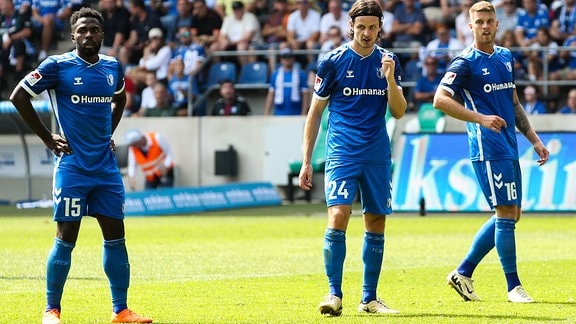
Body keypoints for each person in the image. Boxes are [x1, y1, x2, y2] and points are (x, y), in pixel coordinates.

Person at [9, 7, 152, 324]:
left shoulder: (113, 67)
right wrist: (48, 138)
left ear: (102, 34)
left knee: (116, 237)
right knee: (65, 238)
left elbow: (120, 100)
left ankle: (121, 310)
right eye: (83, 30)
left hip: (106, 169)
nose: (89, 35)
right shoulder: (57, 66)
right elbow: (19, 96)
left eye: (95, 30)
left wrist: (107, 133)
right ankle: (51, 310)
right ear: (73, 35)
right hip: (73, 168)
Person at [432, 1, 550, 304]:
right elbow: (440, 100)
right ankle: (513, 287)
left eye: (489, 21)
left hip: (509, 144)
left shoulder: (506, 57)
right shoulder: (464, 62)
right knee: (505, 214)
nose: (485, 26)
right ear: (470, 26)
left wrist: (534, 138)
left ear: (497, 24)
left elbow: (512, 103)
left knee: (512, 214)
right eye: (479, 22)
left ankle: (463, 272)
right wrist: (480, 119)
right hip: (487, 147)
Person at [298, 0, 406, 316]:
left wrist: (389, 79)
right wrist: (306, 159)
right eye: (362, 27)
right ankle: (333, 294)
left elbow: (398, 112)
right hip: (343, 151)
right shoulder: (332, 62)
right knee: (339, 214)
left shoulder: (390, 61)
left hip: (376, 153)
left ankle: (369, 299)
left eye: (373, 27)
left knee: (376, 219)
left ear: (380, 27)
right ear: (351, 26)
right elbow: (314, 112)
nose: (367, 33)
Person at [264, 47, 309, 116]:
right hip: (279, 115)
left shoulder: (301, 74)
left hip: (296, 115)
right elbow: (271, 95)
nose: (287, 59)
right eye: (284, 57)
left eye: (289, 56)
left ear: (293, 58)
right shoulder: (275, 75)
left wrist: (303, 114)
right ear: (281, 59)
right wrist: (266, 113)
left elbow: (305, 96)